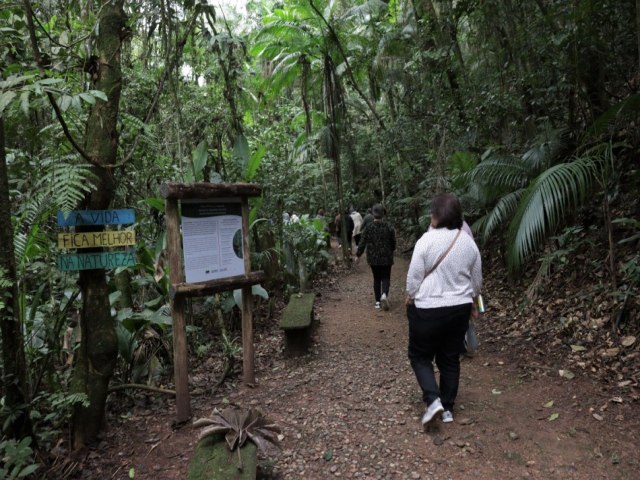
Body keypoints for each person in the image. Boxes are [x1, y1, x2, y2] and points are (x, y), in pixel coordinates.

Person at [405, 193, 482, 426]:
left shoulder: (425, 241)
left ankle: (432, 399)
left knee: (420, 356)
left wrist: (410, 296)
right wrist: (474, 302)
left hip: (427, 308)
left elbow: (412, 281)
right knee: (449, 358)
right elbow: (476, 281)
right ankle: (447, 408)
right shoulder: (468, 242)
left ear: (436, 216)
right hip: (459, 308)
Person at [355, 203, 396, 311]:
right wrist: (391, 249)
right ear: (383, 214)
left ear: (373, 214)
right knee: (386, 277)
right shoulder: (389, 227)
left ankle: (377, 302)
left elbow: (362, 242)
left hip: (373, 258)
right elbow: (393, 242)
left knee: (376, 278)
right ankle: (384, 295)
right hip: (386, 257)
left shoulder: (368, 227)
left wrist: (358, 255)